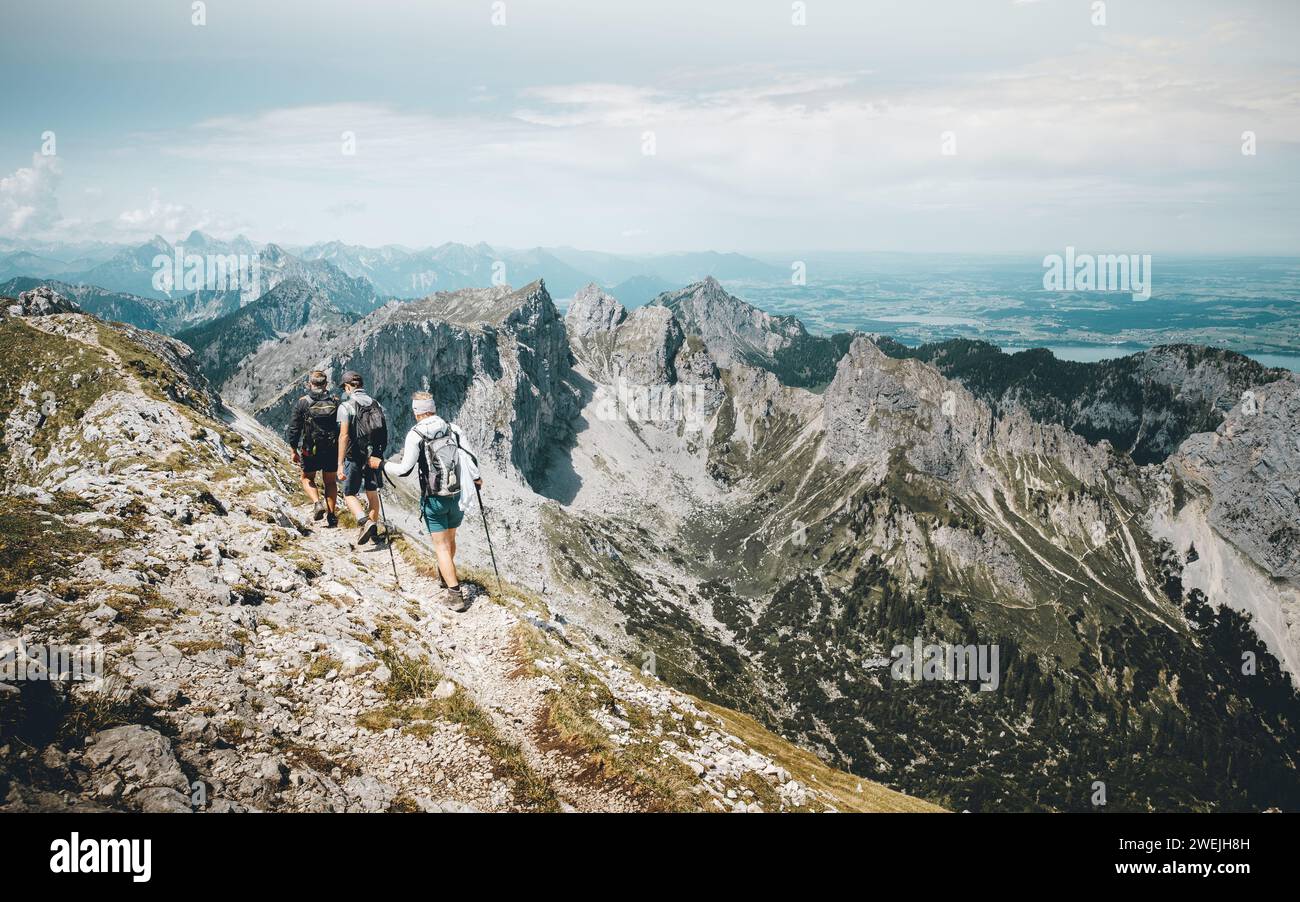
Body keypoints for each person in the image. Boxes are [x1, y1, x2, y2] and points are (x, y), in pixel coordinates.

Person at [383, 391, 481, 612]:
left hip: (434, 498)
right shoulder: (453, 428)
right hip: (457, 495)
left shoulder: (415, 434)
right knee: (451, 539)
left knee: (441, 547)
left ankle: (454, 594)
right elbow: (469, 456)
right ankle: (446, 575)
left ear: (417, 412)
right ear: (434, 408)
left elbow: (404, 469)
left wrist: (381, 465)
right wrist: (476, 479)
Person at [335, 370, 387, 547]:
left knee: (349, 493)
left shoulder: (346, 406)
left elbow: (343, 437)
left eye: (345, 387)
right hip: (373, 457)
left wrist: (340, 463)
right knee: (373, 494)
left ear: (348, 387)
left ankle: (365, 522)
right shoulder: (375, 403)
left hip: (354, 456)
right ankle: (372, 533)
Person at [286, 370, 339, 528]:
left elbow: (294, 429)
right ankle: (331, 515)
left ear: (310, 384)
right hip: (331, 449)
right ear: (326, 384)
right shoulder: (335, 401)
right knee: (330, 482)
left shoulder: (303, 402)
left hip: (311, 449)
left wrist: (293, 450)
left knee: (307, 478)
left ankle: (317, 503)